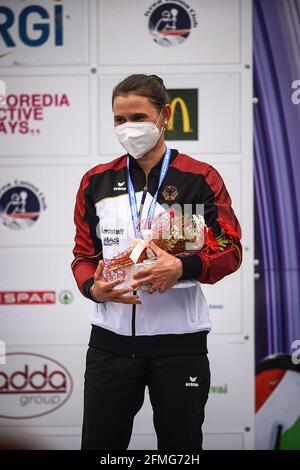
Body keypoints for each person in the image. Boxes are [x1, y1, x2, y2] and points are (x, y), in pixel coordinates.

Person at [71, 74, 242, 450]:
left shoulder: (200, 178)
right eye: (119, 119)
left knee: (180, 449)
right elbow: (84, 256)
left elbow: (231, 249)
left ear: (164, 116)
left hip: (180, 345)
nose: (128, 128)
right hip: (110, 345)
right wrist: (94, 289)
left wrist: (183, 268)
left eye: (138, 117)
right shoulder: (95, 182)